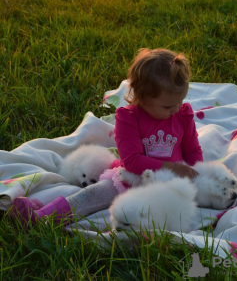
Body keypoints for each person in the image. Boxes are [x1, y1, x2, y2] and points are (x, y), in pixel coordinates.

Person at [10, 48, 203, 226]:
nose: (176, 109)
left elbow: (192, 149)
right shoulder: (129, 118)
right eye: (168, 107)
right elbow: (132, 161)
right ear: (143, 98)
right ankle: (43, 217)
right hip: (132, 179)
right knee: (92, 195)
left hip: (171, 187)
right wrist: (174, 167)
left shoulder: (182, 114)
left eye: (180, 101)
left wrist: (198, 174)